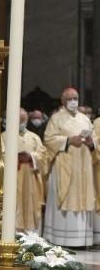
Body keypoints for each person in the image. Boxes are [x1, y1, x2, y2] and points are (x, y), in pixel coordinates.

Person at [43, 87, 97, 247]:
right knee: (65, 195)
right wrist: (68, 141)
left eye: (76, 98)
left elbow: (94, 139)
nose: (74, 102)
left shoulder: (84, 119)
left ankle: (82, 239)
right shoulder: (56, 118)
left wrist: (91, 143)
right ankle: (60, 239)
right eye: (70, 99)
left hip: (83, 166)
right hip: (64, 165)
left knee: (83, 195)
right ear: (62, 101)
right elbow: (48, 139)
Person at [1, 109, 48, 233]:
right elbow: (0, 156)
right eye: (18, 120)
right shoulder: (4, 136)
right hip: (13, 180)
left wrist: (31, 157)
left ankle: (34, 239)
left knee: (32, 207)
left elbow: (43, 156)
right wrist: (16, 157)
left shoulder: (34, 137)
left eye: (23, 120)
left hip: (32, 180)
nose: (21, 123)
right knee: (14, 207)